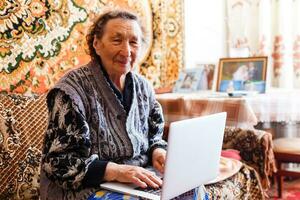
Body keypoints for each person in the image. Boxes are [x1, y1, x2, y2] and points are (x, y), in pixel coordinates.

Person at [40, 10, 167, 199]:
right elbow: (59, 163)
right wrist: (116, 171)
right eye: (117, 40)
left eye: (133, 42)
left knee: (192, 190)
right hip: (83, 188)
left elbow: (154, 136)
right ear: (96, 44)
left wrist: (158, 151)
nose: (126, 51)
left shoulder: (144, 87)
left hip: (136, 180)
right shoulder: (71, 91)